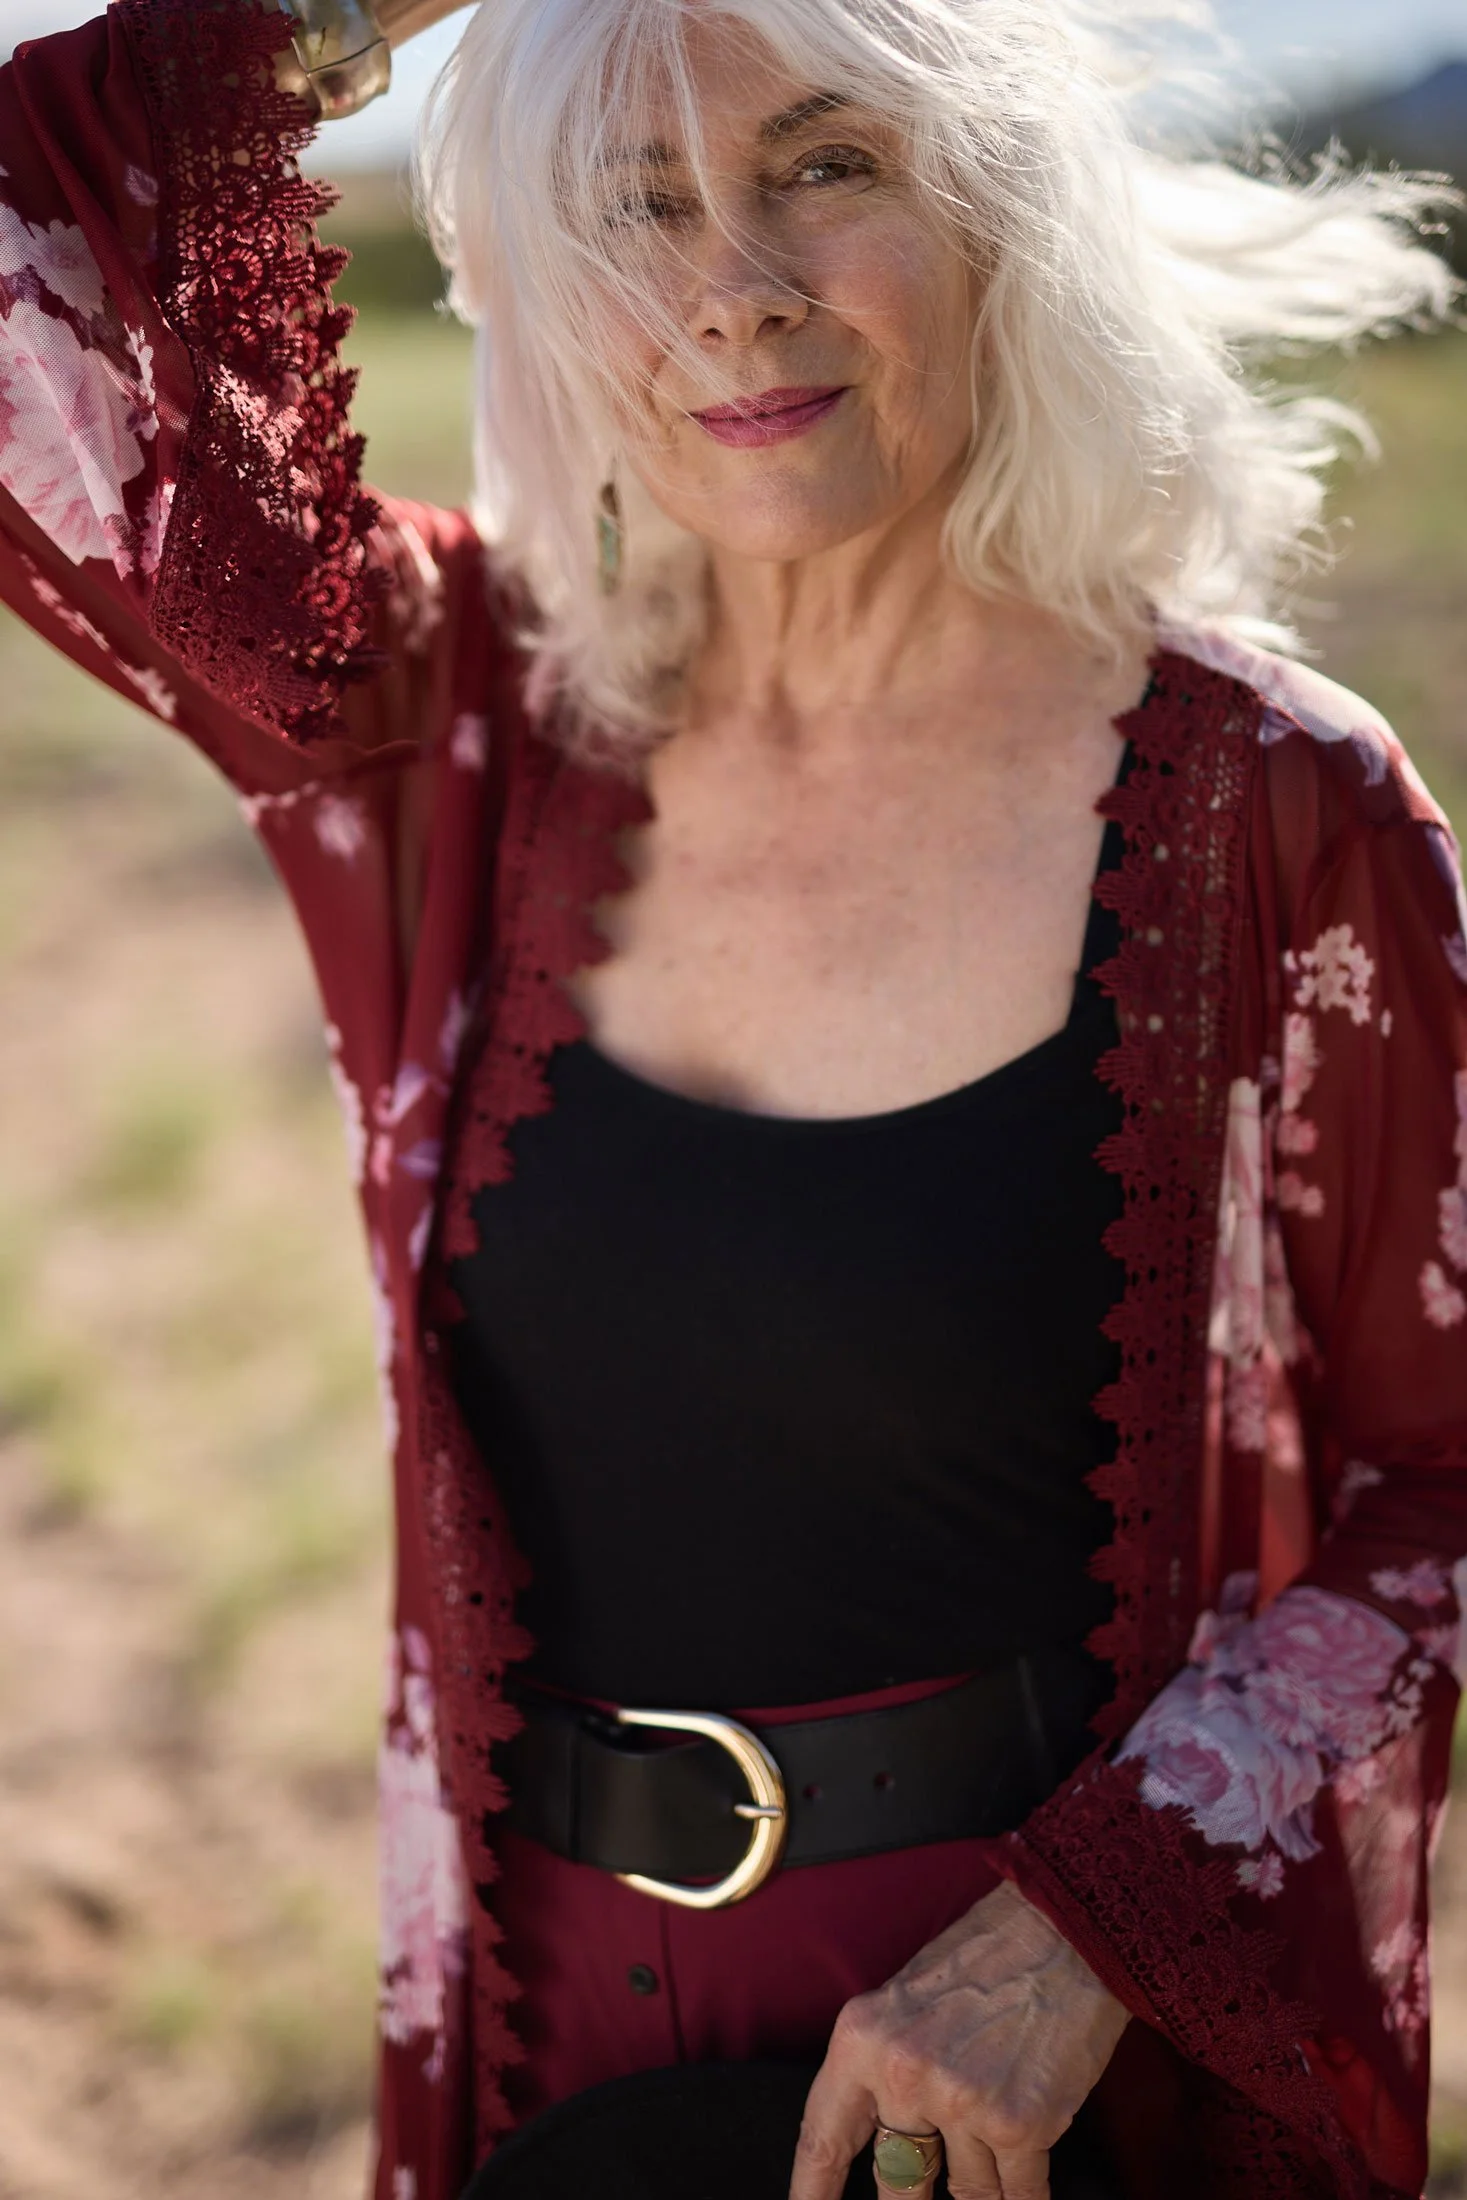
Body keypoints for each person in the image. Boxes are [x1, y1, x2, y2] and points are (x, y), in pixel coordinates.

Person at [0, 0, 1464, 2194]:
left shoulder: (1275, 807)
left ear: (996, 211)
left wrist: (1092, 1933)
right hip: (545, 2021)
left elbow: (1442, 1469)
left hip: (1019, 2070)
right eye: (633, 203)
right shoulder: (449, 719)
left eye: (825, 165)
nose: (732, 288)